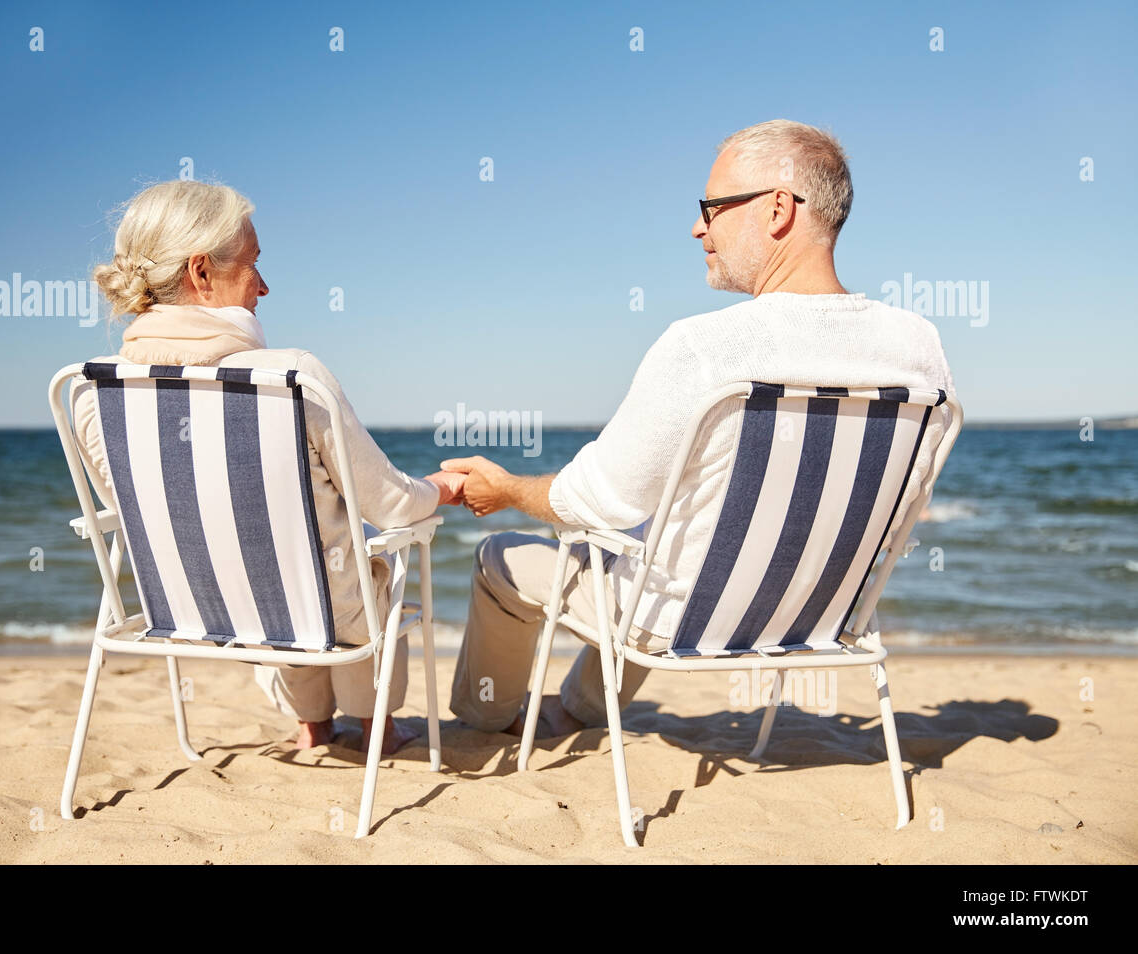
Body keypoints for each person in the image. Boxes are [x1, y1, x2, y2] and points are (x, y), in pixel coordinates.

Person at [441, 119, 956, 737]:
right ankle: (579, 708)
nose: (697, 228)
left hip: (685, 622)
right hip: (819, 617)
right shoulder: (918, 347)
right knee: (666, 527)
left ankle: (484, 720)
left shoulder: (706, 346)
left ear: (777, 210)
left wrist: (506, 491)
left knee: (502, 558)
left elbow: (595, 500)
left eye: (711, 208)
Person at [74, 180, 464, 754]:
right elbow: (390, 504)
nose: (263, 286)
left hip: (194, 612)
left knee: (276, 553)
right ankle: (376, 725)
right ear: (202, 273)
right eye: (254, 265)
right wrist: (443, 487)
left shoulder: (91, 392)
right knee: (358, 564)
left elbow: (137, 509)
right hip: (322, 617)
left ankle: (311, 724)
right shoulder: (289, 377)